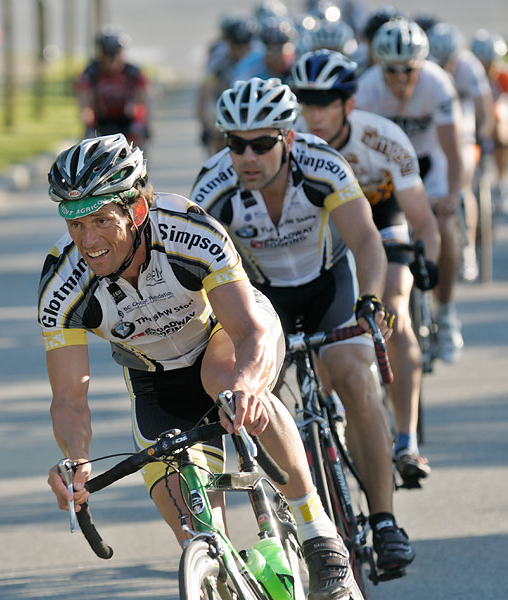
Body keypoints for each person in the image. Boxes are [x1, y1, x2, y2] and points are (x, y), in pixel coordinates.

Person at [41, 133, 357, 600]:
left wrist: (248, 385)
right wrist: (75, 459)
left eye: (101, 221)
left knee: (225, 381)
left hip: (228, 336)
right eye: (75, 224)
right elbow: (69, 399)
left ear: (138, 212)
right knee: (200, 537)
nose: (87, 241)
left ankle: (318, 532)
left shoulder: (189, 231)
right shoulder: (63, 283)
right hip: (155, 383)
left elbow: (251, 331)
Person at [190, 77, 416, 573]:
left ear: (288, 139)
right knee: (239, 393)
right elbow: (197, 276)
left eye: (261, 144)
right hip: (259, 296)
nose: (247, 156)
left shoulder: (321, 165)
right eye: (235, 143)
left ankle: (383, 520)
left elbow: (366, 242)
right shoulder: (214, 186)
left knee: (354, 375)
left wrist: (372, 300)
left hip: (325, 285)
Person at [290, 49, 440, 484]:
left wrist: (426, 259)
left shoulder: (383, 138)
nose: (313, 115)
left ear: (348, 105)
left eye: (325, 104)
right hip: (324, 232)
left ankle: (407, 440)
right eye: (307, 103)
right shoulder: (289, 142)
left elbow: (424, 219)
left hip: (382, 218)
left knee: (392, 304)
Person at [354, 18, 464, 364]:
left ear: (422, 65)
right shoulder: (367, 89)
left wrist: (452, 196)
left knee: (443, 225)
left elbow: (454, 149)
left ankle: (445, 313)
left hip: (428, 166)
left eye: (409, 69)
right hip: (385, 177)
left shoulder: (437, 83)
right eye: (392, 70)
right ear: (378, 65)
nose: (401, 78)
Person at [427, 22, 495, 282]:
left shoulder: (469, 66)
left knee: (463, 178)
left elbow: (484, 109)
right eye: (441, 60)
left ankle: (466, 247)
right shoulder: (429, 69)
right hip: (436, 132)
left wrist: (483, 135)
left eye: (451, 59)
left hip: (464, 130)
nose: (447, 65)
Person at [75, 25, 150, 149]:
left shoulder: (133, 73)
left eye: (115, 53)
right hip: (101, 122)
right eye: (107, 54)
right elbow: (85, 104)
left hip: (127, 120)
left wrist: (141, 125)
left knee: (139, 147)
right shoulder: (91, 73)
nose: (111, 60)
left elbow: (143, 100)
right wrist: (89, 126)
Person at [197, 15, 259, 156]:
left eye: (244, 45)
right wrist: (205, 125)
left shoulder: (258, 56)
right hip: (223, 102)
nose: (240, 51)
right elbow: (205, 91)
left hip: (252, 105)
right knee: (218, 137)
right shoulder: (218, 56)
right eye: (236, 45)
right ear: (228, 42)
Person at [470, 29, 508, 211]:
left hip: (494, 118)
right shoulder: (468, 75)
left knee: (499, 126)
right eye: (483, 63)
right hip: (473, 118)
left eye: (491, 63)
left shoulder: (502, 78)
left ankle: (500, 182)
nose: (487, 68)